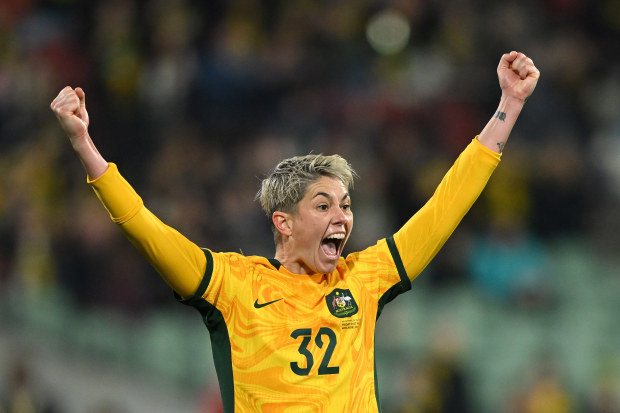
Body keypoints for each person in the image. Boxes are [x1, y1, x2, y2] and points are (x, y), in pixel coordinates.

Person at [50, 51, 539, 412]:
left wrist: (508, 106)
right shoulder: (233, 286)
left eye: (346, 206)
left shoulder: (364, 279)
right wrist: (84, 143)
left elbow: (445, 207)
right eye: (323, 205)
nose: (342, 218)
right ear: (283, 222)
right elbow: (146, 229)